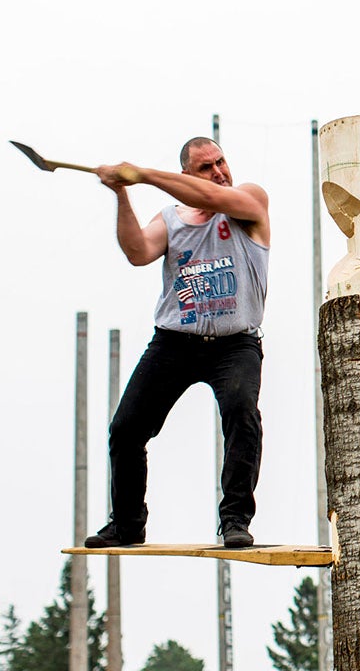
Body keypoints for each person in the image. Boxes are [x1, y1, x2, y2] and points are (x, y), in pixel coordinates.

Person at [85, 137, 270, 550]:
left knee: (242, 412)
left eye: (221, 161)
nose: (219, 172)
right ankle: (127, 524)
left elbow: (211, 196)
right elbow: (138, 252)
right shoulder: (171, 218)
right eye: (206, 167)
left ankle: (235, 519)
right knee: (126, 429)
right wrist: (122, 193)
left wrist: (144, 173)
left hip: (235, 343)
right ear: (186, 175)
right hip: (174, 343)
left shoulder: (249, 202)